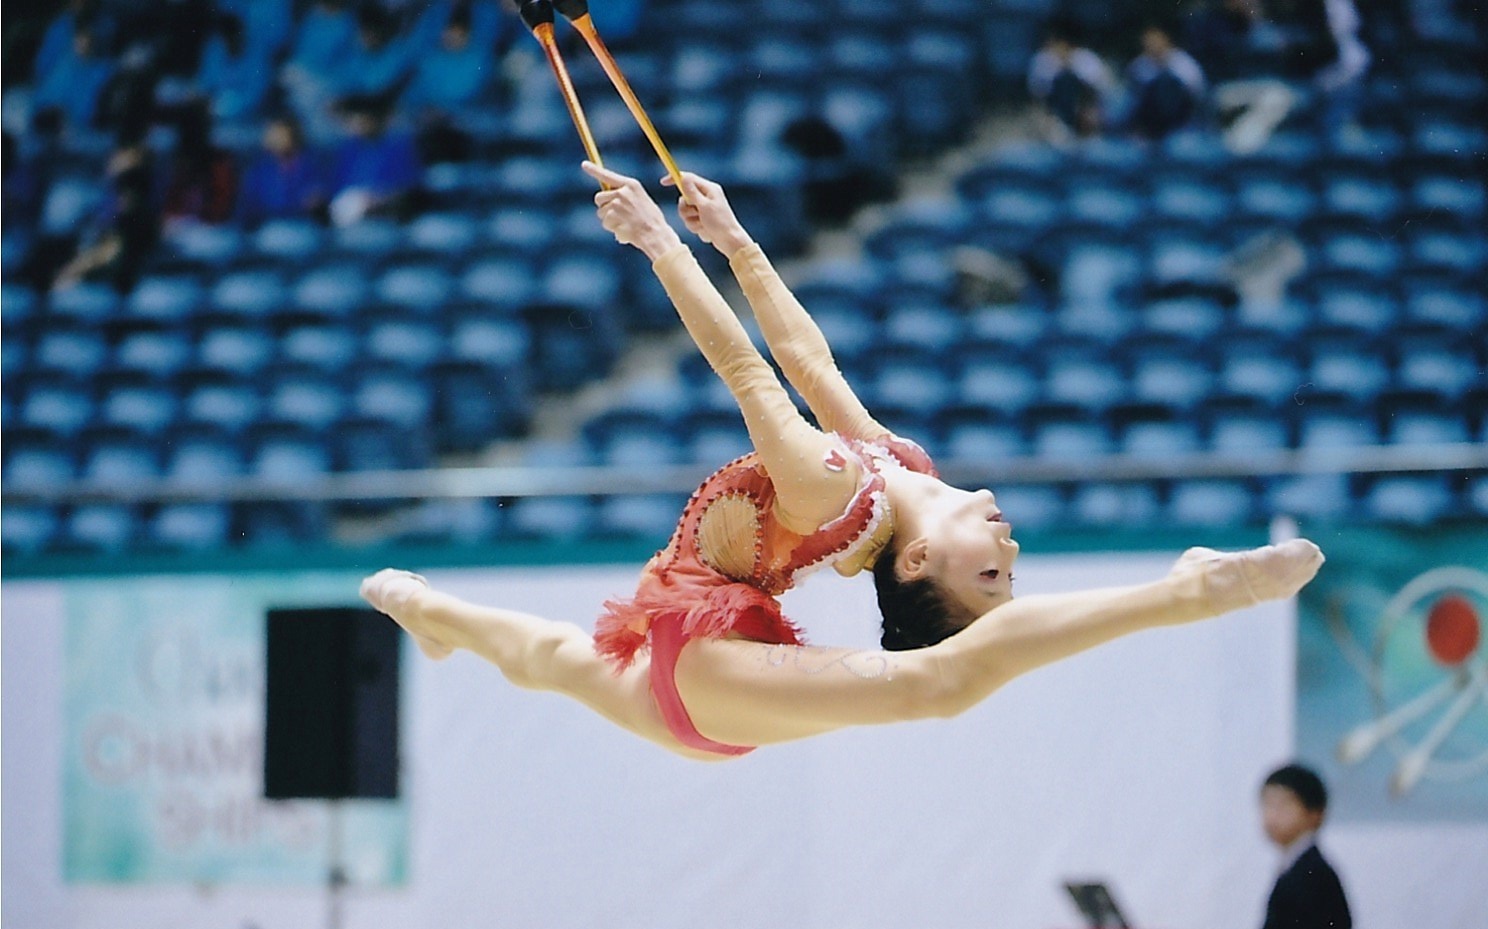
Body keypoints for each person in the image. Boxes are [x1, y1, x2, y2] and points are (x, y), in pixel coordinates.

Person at [360, 163, 1325, 761]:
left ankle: (1192, 590)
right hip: (707, 656)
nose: (1010, 543)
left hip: (712, 667)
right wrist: (734, 238)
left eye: (991, 574)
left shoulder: (831, 491)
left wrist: (659, 244)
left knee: (936, 685)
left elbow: (749, 371)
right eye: (1011, 568)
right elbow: (812, 364)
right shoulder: (899, 466)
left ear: (919, 562)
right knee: (551, 658)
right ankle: (428, 612)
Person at [1259, 763, 1352, 929]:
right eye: (1267, 804)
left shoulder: (1314, 874)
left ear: (1315, 813)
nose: (1272, 815)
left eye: (1283, 805)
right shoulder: (1295, 867)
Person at [1027, 20, 1115, 142]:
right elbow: (1038, 94)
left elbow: (1101, 89)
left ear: (1065, 43)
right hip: (1056, 112)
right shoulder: (1043, 60)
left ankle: (1086, 130)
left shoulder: (1087, 58)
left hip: (1086, 108)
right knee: (1063, 81)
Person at [1124, 23, 1207, 140]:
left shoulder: (1185, 63)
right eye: (1148, 42)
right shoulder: (1139, 65)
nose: (1152, 45)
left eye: (1155, 41)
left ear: (1166, 40)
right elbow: (1135, 97)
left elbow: (1197, 95)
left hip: (1182, 117)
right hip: (1149, 119)